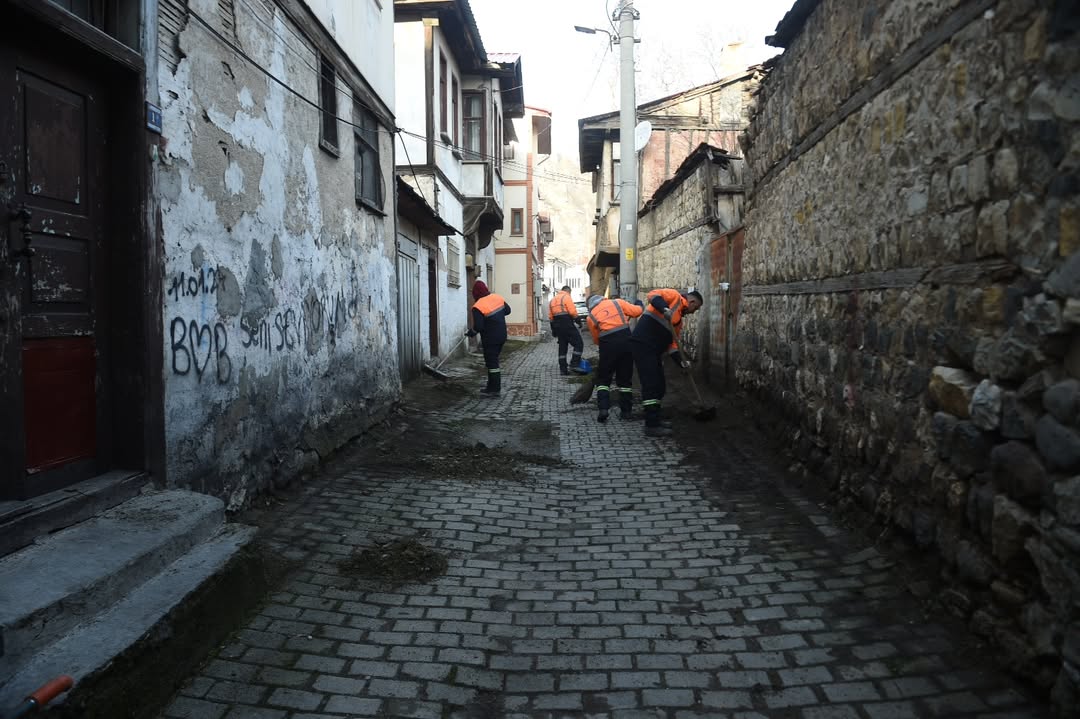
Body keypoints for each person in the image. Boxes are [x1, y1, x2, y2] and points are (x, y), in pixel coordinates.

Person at [630, 288, 703, 436]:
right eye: (696, 308)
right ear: (692, 302)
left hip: (655, 351)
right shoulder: (674, 297)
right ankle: (651, 425)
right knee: (651, 385)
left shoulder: (678, 322)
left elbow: (672, 346)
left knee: (660, 386)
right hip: (643, 345)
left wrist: (682, 362)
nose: (694, 311)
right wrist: (664, 308)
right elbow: (652, 295)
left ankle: (655, 418)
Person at [585, 293, 644, 422]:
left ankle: (603, 409)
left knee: (604, 379)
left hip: (607, 346)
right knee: (625, 380)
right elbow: (636, 312)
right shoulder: (617, 302)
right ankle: (626, 412)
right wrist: (639, 304)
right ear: (602, 299)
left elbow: (596, 339)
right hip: (626, 342)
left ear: (589, 306)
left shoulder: (590, 317)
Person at [466, 280, 511, 396]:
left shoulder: (477, 306)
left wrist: (472, 332)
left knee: (492, 363)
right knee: (493, 361)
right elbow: (508, 310)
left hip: (490, 338)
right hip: (502, 335)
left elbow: (479, 326)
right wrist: (497, 316)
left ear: (475, 293)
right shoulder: (497, 297)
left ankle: (494, 389)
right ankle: (491, 386)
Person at [548, 285, 586, 375]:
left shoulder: (552, 300)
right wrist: (579, 322)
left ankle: (563, 369)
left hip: (557, 325)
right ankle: (574, 364)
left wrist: (553, 330)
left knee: (562, 347)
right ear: (569, 291)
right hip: (566, 323)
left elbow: (550, 317)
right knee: (579, 344)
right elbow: (573, 312)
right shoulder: (566, 297)